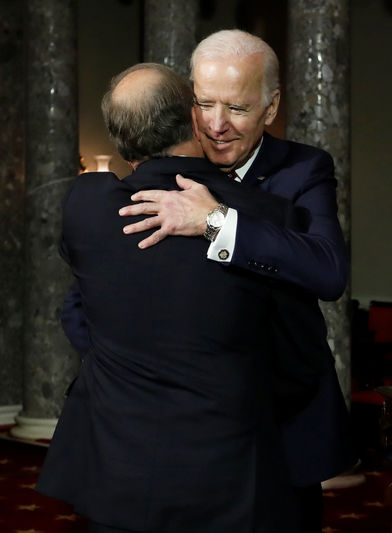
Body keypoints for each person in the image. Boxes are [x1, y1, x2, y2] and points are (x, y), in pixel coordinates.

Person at [36, 62, 314, 533]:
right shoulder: (264, 215)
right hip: (227, 469)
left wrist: (117, 362)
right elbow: (299, 356)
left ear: (121, 138)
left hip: (116, 465)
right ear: (194, 118)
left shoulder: (86, 205)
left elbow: (88, 306)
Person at [117, 30, 352, 532]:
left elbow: (329, 271)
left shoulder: (304, 169)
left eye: (238, 108)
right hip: (185, 433)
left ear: (270, 108)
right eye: (204, 104)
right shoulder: (164, 173)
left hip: (281, 421)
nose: (217, 126)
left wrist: (217, 223)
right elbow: (90, 295)